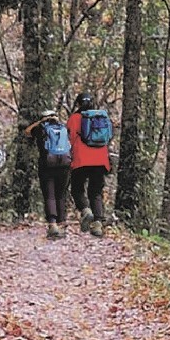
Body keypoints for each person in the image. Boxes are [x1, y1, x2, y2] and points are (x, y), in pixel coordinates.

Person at [22, 109, 72, 239]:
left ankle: (53, 225)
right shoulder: (63, 128)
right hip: (65, 164)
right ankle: (62, 225)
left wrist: (40, 122)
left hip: (47, 164)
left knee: (49, 194)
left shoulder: (41, 128)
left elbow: (27, 132)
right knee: (61, 194)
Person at [67, 93, 112, 236]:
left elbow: (70, 138)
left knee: (77, 189)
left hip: (81, 159)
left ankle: (86, 210)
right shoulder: (101, 117)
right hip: (100, 159)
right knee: (96, 192)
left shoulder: (74, 118)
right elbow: (109, 136)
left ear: (78, 104)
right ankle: (98, 224)